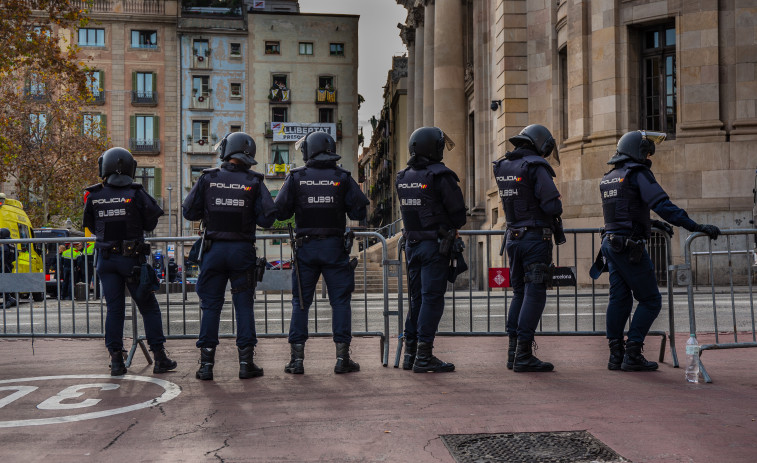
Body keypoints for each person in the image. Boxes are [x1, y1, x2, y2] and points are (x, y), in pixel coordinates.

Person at [598, 130, 721, 371]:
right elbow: (662, 204)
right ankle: (632, 353)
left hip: (612, 244)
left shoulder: (610, 176)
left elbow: (623, 212)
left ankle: (616, 355)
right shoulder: (638, 173)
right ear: (636, 152)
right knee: (651, 300)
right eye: (645, 152)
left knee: (620, 299)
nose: (647, 157)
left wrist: (651, 224)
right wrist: (694, 226)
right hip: (629, 247)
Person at [183, 131, 276, 380]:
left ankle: (206, 366)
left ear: (226, 152)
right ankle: (246, 364)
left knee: (211, 306)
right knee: (244, 306)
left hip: (213, 251)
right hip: (242, 251)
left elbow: (188, 212)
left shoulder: (208, 178)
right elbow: (268, 219)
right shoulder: (254, 182)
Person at [274, 131, 369, 375]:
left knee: (301, 303)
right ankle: (342, 359)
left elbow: (281, 212)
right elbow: (359, 210)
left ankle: (296, 361)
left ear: (309, 150)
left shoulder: (296, 177)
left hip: (305, 248)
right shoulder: (342, 177)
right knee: (340, 302)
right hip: (334, 248)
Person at [83, 147, 177, 376]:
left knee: (114, 310)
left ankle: (116, 360)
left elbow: (90, 225)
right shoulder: (136, 192)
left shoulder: (94, 194)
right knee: (148, 308)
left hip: (105, 261)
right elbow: (151, 222)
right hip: (131, 260)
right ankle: (160, 357)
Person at [395, 126, 466, 373]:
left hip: (412, 246)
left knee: (416, 301)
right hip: (434, 247)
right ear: (433, 148)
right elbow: (459, 214)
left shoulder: (402, 177)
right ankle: (424, 356)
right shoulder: (440, 175)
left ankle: (410, 354)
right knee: (431, 300)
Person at [493, 124, 562, 373]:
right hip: (534, 239)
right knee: (535, 294)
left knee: (519, 294)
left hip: (513, 237)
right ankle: (523, 355)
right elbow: (552, 205)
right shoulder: (536, 165)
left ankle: (513, 353)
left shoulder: (503, 165)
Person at [0, 228, 17, 309]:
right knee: (4, 283)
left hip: (3, 265)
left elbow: (3, 254)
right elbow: (16, 256)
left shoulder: (5, 243)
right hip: (8, 265)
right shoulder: (11, 243)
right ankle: (10, 299)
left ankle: (8, 300)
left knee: (3, 283)